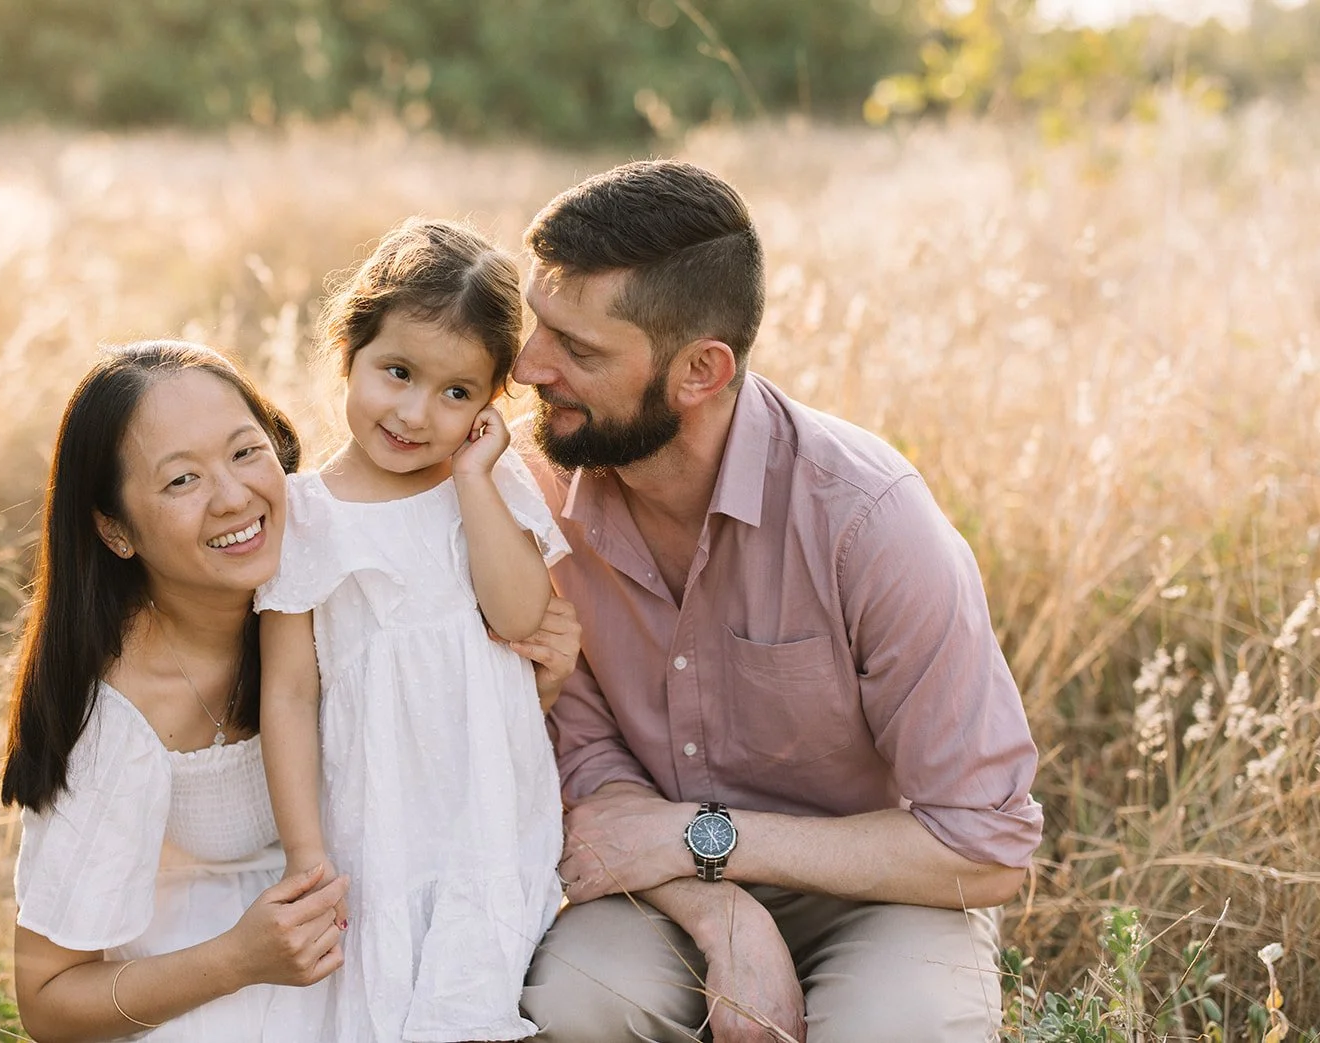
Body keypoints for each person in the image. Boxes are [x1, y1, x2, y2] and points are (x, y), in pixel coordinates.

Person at [513, 161, 1044, 1043]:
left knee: (902, 1030)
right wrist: (722, 909)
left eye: (580, 348)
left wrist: (706, 837)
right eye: (539, 322)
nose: (530, 364)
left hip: (877, 887)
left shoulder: (869, 521)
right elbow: (589, 772)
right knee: (580, 999)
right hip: (655, 885)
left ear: (700, 371)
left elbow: (982, 847)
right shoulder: (530, 497)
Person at [256, 218, 571, 1043]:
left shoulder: (491, 484)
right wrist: (305, 853)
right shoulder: (307, 515)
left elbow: (520, 615)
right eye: (396, 372)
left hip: (490, 806)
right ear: (347, 350)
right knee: (390, 1002)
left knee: (484, 991)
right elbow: (287, 693)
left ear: (490, 401)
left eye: (456, 392)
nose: (415, 412)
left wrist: (471, 478)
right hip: (378, 818)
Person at [0, 341, 349, 1041]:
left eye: (246, 452)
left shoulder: (349, 571)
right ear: (115, 530)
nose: (232, 497)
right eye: (181, 480)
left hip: (370, 932)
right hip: (218, 984)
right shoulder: (119, 715)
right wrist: (238, 958)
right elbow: (46, 999)